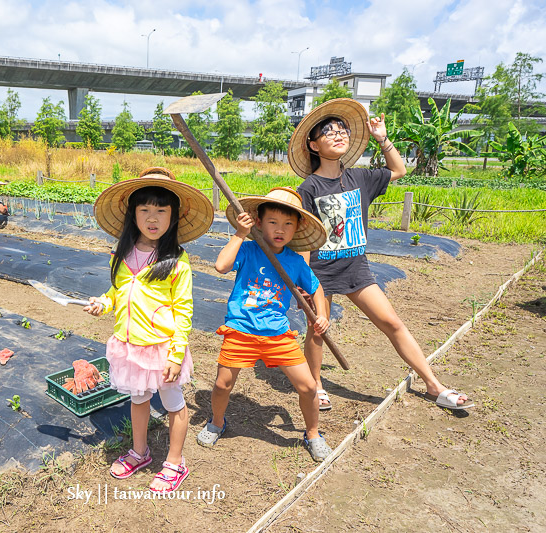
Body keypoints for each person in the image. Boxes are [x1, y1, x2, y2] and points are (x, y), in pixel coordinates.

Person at [288, 98, 474, 411]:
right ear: (313, 145)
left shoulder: (361, 178)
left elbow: (398, 169)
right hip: (321, 272)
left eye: (342, 130)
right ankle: (317, 386)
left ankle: (433, 385)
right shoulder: (308, 188)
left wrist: (382, 138)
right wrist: (303, 284)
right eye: (328, 131)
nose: (338, 134)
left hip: (356, 268)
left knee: (393, 323)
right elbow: (304, 239)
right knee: (318, 329)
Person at [85, 167, 214, 493]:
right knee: (139, 399)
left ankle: (175, 462)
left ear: (174, 216)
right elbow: (118, 292)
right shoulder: (123, 253)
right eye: (145, 210)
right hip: (131, 347)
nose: (152, 218)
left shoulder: (176, 260)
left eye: (161, 210)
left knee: (173, 402)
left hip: (162, 348)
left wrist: (175, 354)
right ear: (133, 214)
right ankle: (139, 452)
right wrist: (104, 302)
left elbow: (184, 311)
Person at [196, 187, 334, 462]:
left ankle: (313, 433)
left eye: (287, 224)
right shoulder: (248, 250)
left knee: (308, 387)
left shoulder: (294, 261)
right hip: (241, 329)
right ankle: (217, 422)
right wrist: (239, 234)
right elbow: (221, 266)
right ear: (259, 222)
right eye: (272, 222)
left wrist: (322, 315)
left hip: (278, 334)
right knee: (223, 384)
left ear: (297, 229)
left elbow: (316, 288)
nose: (279, 230)